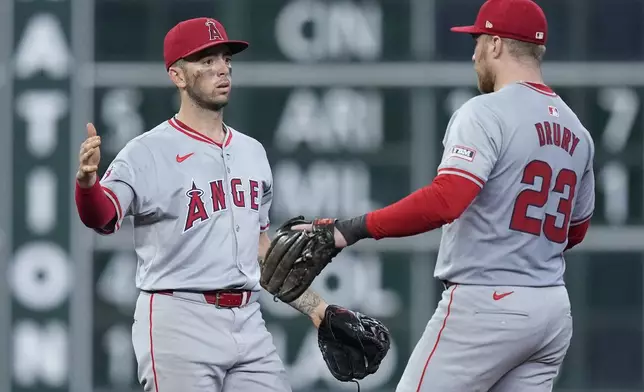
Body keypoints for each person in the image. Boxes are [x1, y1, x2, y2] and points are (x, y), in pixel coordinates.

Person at [291, 0, 595, 391]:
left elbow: (447, 200)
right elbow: (574, 232)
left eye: (478, 41)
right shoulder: (578, 132)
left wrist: (348, 230)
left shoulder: (486, 112)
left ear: (497, 45)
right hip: (550, 310)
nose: (474, 53)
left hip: (485, 304)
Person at [74, 17, 334, 392]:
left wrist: (317, 308)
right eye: (206, 60)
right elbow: (101, 216)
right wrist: (86, 184)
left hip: (248, 319)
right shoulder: (147, 151)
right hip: (178, 318)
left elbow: (262, 252)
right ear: (178, 76)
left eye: (225, 58)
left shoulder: (252, 152)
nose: (222, 68)